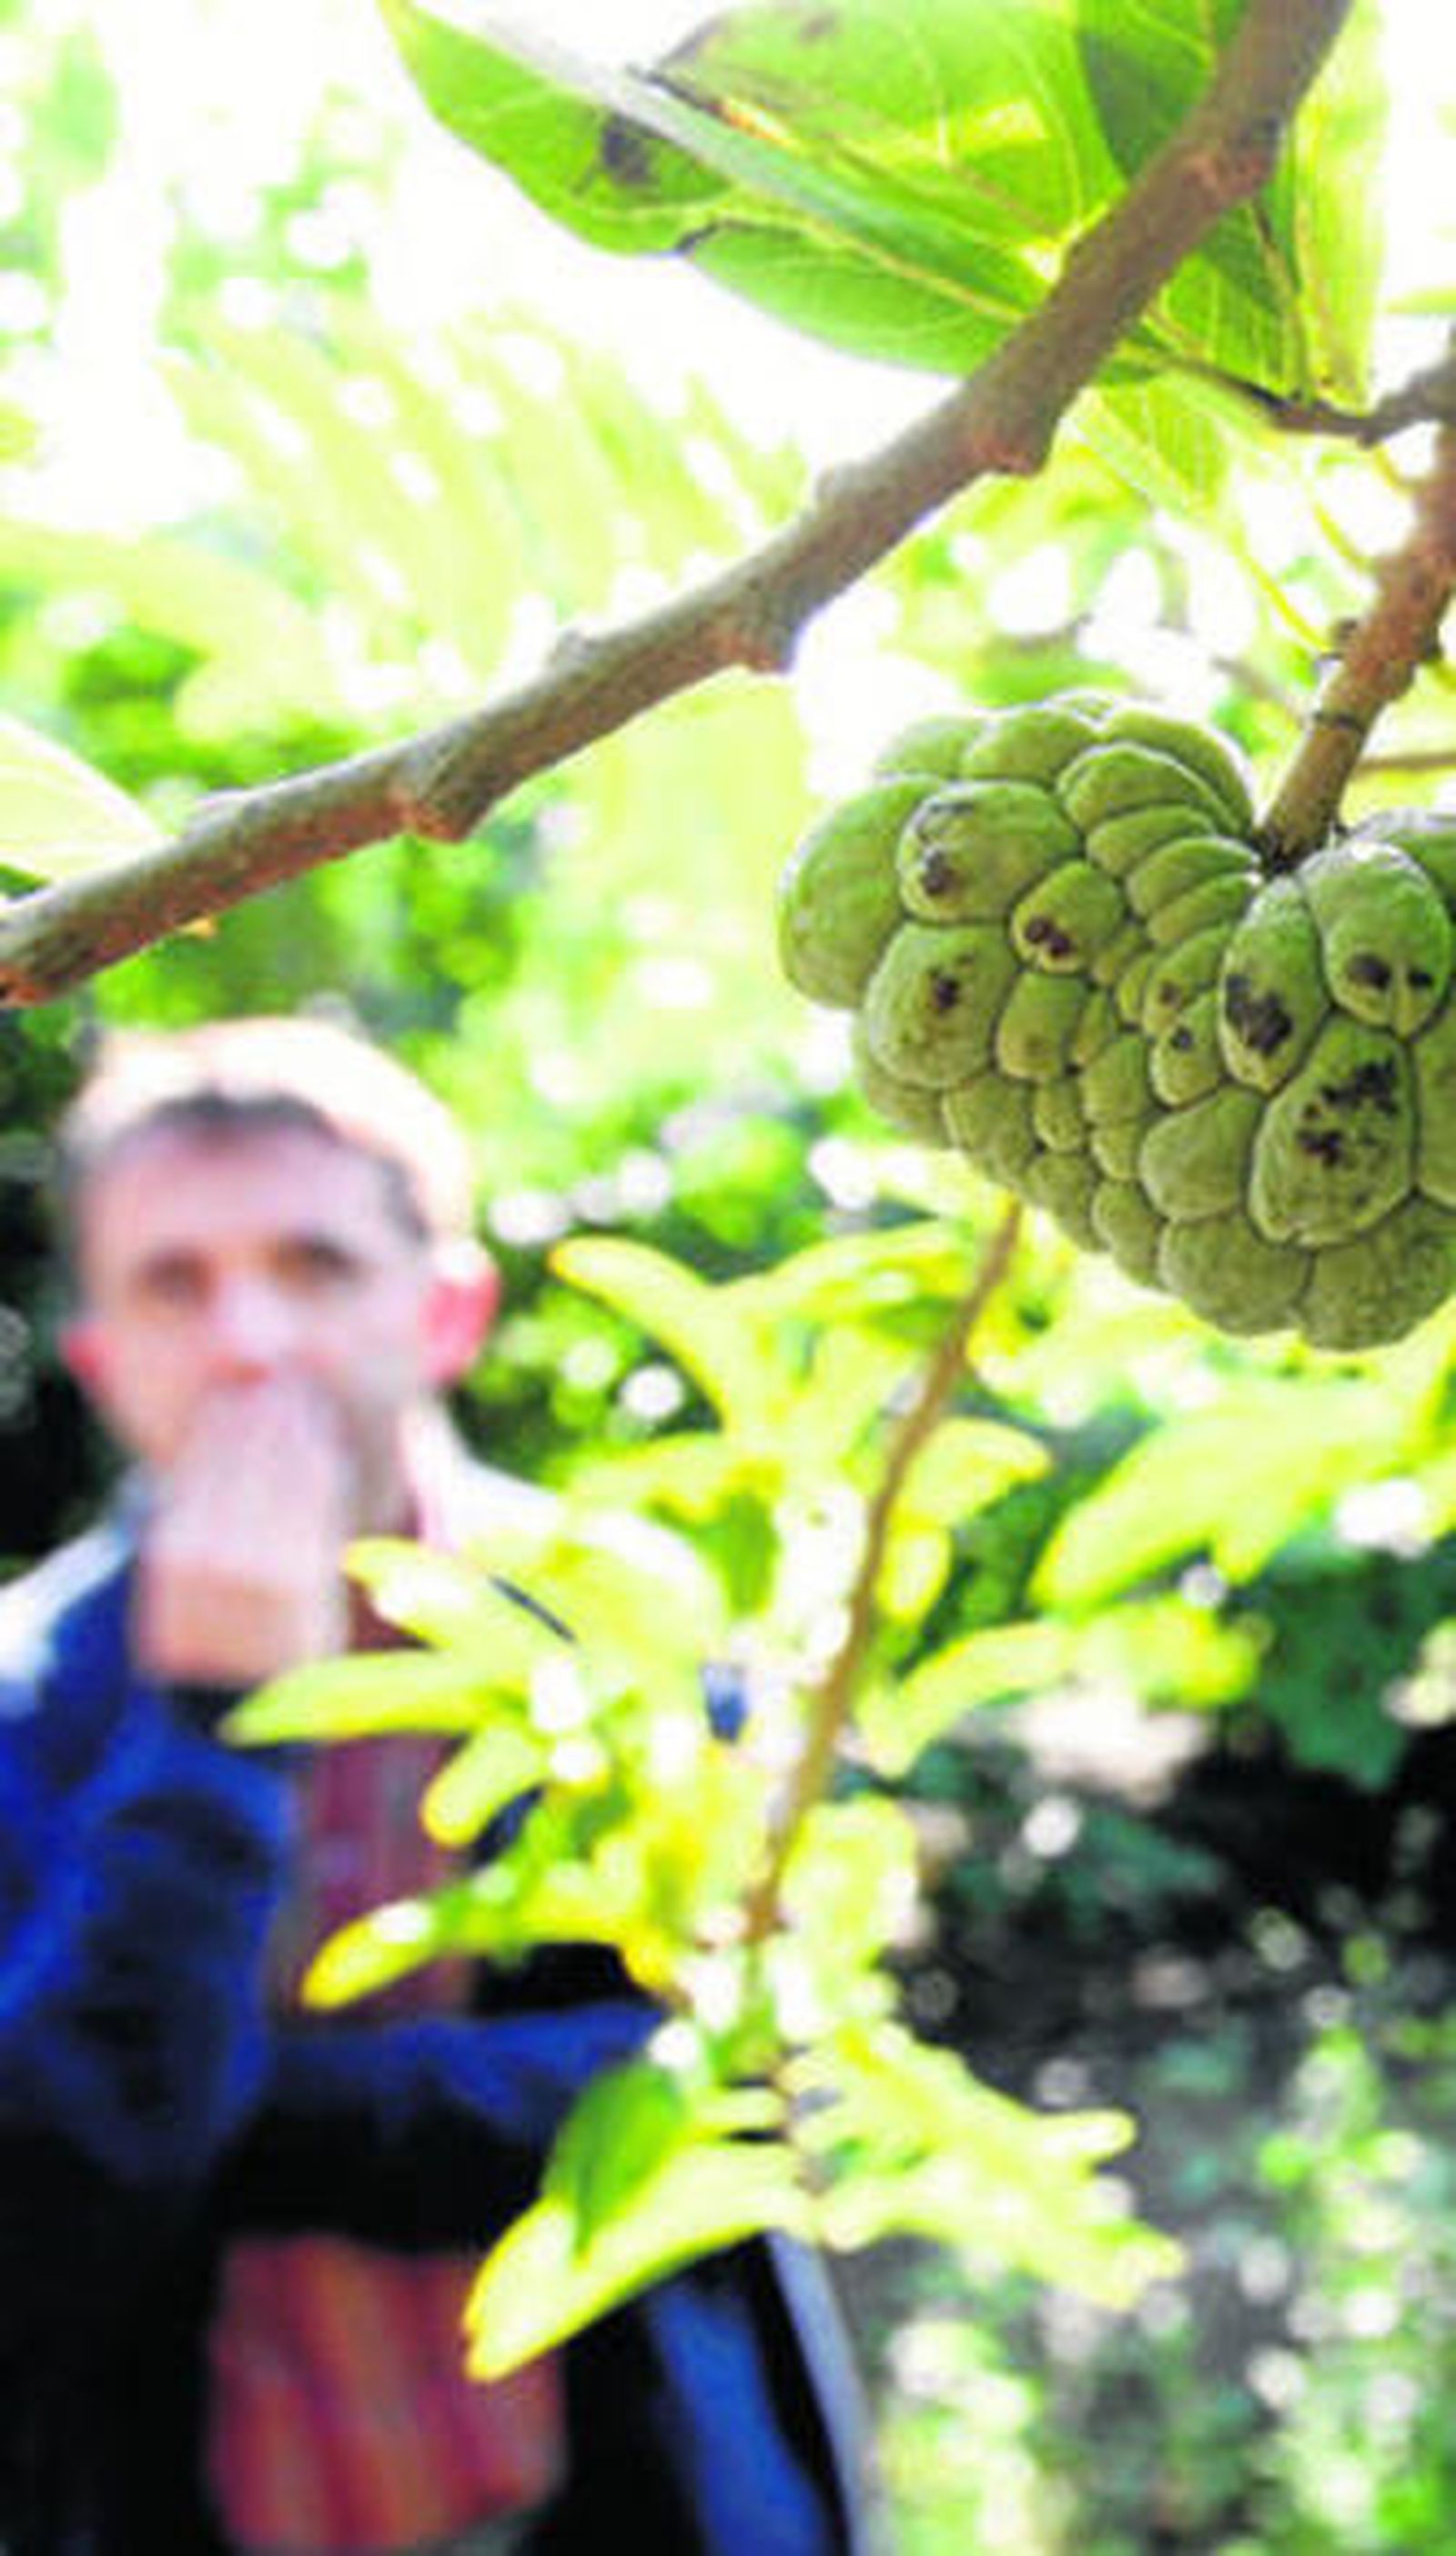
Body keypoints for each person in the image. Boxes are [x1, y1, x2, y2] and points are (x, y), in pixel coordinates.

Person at [0, 1015, 871, 2556]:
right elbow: (44, 2208)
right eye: (174, 1284)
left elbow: (760, 2067)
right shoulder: (25, 1698)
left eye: (316, 1265)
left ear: (448, 1310)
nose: (250, 1342)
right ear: (99, 1358)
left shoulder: (639, 1624)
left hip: (629, 2507)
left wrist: (228, 2121)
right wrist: (209, 1719)